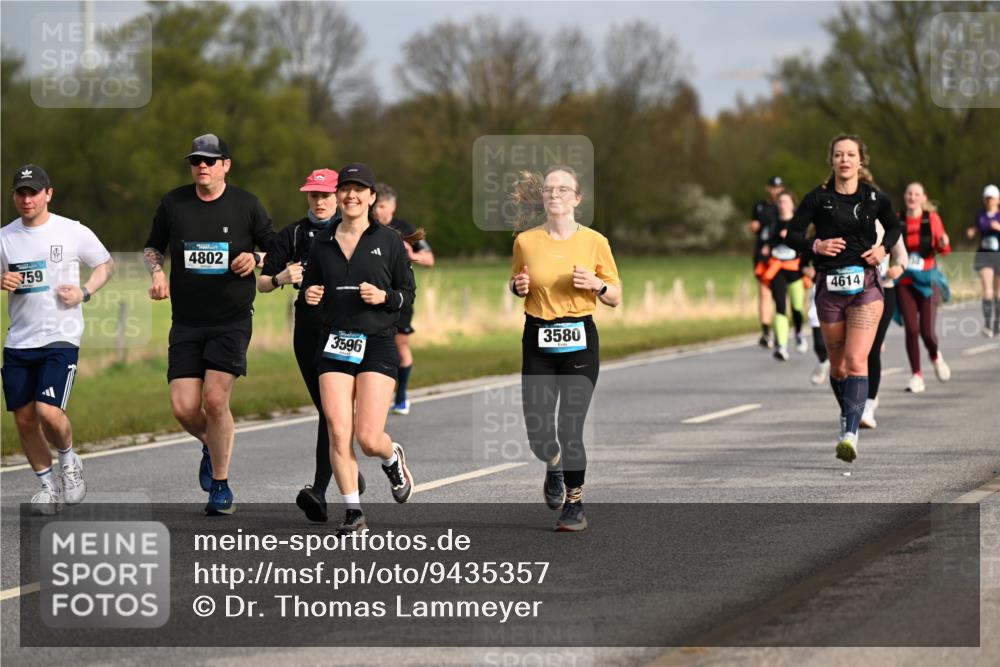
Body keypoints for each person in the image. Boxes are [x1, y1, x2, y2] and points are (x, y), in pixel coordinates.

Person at [144, 134, 275, 515]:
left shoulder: (246, 205)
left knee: (215, 400)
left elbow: (275, 247)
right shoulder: (174, 202)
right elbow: (153, 246)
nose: (202, 166)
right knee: (184, 408)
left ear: (226, 166)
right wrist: (156, 273)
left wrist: (255, 258)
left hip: (231, 319)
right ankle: (213, 441)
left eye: (210, 161)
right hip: (186, 320)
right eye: (196, 160)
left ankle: (220, 486)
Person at [302, 163, 416, 535]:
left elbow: (407, 293)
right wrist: (310, 294)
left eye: (359, 189)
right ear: (338, 195)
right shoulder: (322, 242)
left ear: (371, 198)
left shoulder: (388, 242)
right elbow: (312, 290)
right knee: (338, 431)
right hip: (334, 343)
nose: (350, 195)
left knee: (368, 438)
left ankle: (391, 456)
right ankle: (353, 512)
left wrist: (386, 297)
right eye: (345, 189)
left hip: (377, 343)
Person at [509, 166, 621, 532]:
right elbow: (517, 281)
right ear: (543, 198)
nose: (554, 194)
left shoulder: (595, 241)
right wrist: (518, 286)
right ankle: (552, 461)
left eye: (562, 189)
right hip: (538, 338)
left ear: (577, 198)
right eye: (548, 189)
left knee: (570, 426)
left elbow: (616, 296)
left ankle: (574, 503)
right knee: (540, 432)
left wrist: (597, 285)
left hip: (580, 340)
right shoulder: (526, 241)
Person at [1, 164, 114, 514]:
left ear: (48, 193)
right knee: (24, 419)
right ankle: (47, 488)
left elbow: (106, 265)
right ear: (14, 196)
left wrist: (84, 292)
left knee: (48, 412)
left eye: (33, 192)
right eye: (21, 192)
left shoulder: (71, 231)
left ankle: (68, 459)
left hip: (60, 337)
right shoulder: (5, 237)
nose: (26, 199)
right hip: (19, 340)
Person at [785, 134, 900, 463]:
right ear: (832, 160)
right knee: (837, 367)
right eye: (839, 155)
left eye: (851, 155)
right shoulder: (818, 199)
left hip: (865, 287)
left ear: (860, 161)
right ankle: (847, 415)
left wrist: (882, 249)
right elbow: (793, 235)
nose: (845, 160)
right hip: (829, 289)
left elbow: (894, 227)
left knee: (855, 360)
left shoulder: (874, 197)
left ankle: (850, 433)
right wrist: (815, 247)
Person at [259, 168, 365, 523]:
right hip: (306, 330)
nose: (319, 202)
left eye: (325, 195)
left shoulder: (352, 231)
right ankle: (345, 468)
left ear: (338, 196)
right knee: (326, 409)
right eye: (313, 195)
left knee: (333, 412)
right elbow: (262, 283)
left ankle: (319, 489)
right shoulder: (292, 234)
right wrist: (280, 277)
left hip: (344, 330)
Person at [373, 183, 435, 415]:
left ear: (393, 206)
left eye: (382, 206)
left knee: (400, 345)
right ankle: (374, 397)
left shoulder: (404, 229)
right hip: (373, 296)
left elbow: (429, 259)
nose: (378, 211)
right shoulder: (366, 227)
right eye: (375, 206)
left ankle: (401, 397)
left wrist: (411, 255)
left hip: (399, 296)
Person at [895, 182, 951, 393]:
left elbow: (943, 249)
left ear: (924, 198)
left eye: (917, 194)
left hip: (928, 280)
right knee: (911, 329)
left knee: (927, 332)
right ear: (905, 196)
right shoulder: (898, 219)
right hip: (905, 280)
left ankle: (935, 356)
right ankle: (916, 376)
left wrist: (944, 242)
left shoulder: (932, 219)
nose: (912, 197)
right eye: (909, 193)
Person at [860, 221, 908, 428]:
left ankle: (868, 404)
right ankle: (855, 399)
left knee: (872, 348)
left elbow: (902, 256)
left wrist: (898, 268)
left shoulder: (886, 225)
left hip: (884, 291)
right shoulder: (847, 220)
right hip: (856, 292)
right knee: (855, 351)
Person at [762, 190, 809, 361]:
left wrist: (791, 237)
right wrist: (766, 248)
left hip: (794, 267)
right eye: (780, 202)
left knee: (797, 306)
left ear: (792, 204)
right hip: (777, 267)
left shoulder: (799, 222)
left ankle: (798, 332)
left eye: (786, 202)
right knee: (780, 306)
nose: (782, 205)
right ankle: (781, 345)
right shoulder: (772, 224)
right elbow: (765, 241)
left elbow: (806, 242)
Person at [750, 177, 784, 348]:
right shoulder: (760, 207)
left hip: (781, 256)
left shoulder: (785, 206)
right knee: (764, 293)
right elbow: (754, 226)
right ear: (767, 189)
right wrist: (754, 227)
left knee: (780, 296)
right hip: (763, 255)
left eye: (778, 187)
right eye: (772, 187)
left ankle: (780, 331)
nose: (775, 191)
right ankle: (765, 331)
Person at [967, 184, 1000, 337]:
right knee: (987, 289)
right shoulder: (980, 215)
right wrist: (974, 230)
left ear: (998, 199)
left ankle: (997, 323)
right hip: (985, 254)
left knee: (998, 292)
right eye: (986, 198)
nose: (989, 201)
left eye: (991, 198)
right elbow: (981, 225)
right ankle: (987, 325)